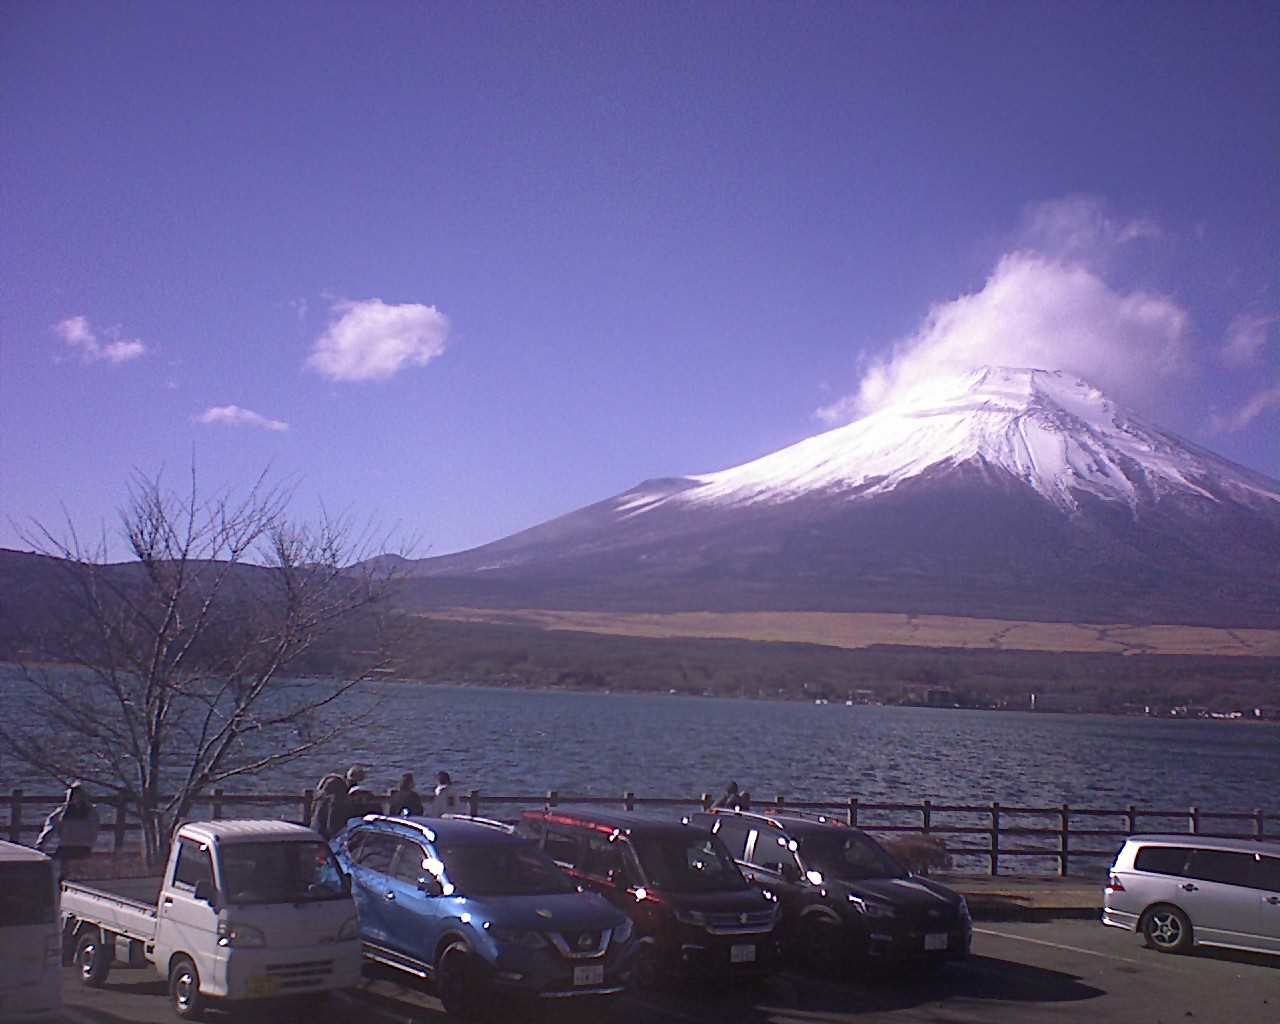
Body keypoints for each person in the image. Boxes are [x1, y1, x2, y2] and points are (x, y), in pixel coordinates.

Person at [35, 782, 99, 880]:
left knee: (78, 874)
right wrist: (41, 844)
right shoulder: (64, 812)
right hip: (69, 846)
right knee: (67, 874)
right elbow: (50, 828)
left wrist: (40, 845)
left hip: (80, 847)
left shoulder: (90, 812)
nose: (76, 798)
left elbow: (94, 830)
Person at [310, 775, 349, 839]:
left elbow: (312, 812)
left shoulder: (319, 799)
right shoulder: (336, 800)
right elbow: (331, 821)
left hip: (315, 831)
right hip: (329, 834)